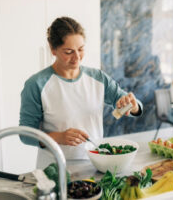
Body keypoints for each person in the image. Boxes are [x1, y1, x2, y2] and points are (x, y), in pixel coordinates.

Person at [19, 17, 142, 168]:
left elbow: (132, 105)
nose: (77, 57)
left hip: (95, 164)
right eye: (69, 51)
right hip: (54, 167)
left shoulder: (98, 78)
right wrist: (59, 137)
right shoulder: (36, 84)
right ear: (53, 49)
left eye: (81, 49)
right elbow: (25, 134)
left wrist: (133, 106)